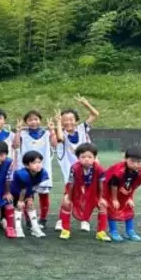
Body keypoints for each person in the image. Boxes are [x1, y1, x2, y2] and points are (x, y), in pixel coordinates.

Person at [54, 94, 100, 231]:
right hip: (71, 170)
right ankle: (61, 220)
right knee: (68, 194)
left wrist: (86, 104)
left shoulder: (82, 128)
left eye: (71, 119)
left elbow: (95, 114)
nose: (68, 122)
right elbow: (60, 138)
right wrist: (58, 122)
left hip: (88, 168)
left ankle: (85, 220)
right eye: (65, 120)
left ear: (76, 120)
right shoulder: (62, 132)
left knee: (87, 195)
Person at [13, 110, 57, 228]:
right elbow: (15, 145)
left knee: (44, 194)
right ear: (26, 122)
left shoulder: (46, 133)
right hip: (26, 170)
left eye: (36, 119)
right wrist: (18, 131)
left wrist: (52, 130)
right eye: (30, 120)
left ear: (40, 120)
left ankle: (43, 219)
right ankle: (28, 219)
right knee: (27, 195)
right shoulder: (23, 134)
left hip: (42, 168)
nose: (33, 122)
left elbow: (54, 144)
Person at [57, 143, 110, 241]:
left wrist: (101, 198)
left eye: (90, 157)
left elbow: (101, 185)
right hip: (76, 191)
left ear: (94, 158)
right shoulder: (74, 168)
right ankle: (65, 230)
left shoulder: (99, 168)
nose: (86, 159)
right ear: (78, 158)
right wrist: (68, 197)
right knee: (66, 203)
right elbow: (71, 183)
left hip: (93, 191)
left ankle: (101, 232)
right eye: (83, 157)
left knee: (103, 205)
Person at [104, 146, 141, 242]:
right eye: (132, 161)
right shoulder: (119, 170)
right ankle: (113, 231)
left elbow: (134, 185)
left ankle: (130, 231)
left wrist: (130, 198)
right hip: (108, 189)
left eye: (138, 162)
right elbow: (113, 185)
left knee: (129, 207)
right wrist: (114, 199)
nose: (135, 164)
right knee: (112, 208)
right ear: (125, 159)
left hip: (123, 189)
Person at [10, 150, 49, 238]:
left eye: (39, 162)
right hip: (15, 192)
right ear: (27, 165)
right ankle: (18, 228)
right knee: (19, 207)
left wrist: (30, 197)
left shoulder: (42, 172)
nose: (38, 165)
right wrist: (21, 200)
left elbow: (34, 186)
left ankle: (35, 228)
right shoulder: (23, 174)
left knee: (30, 205)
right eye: (34, 163)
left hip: (27, 191)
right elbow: (23, 189)